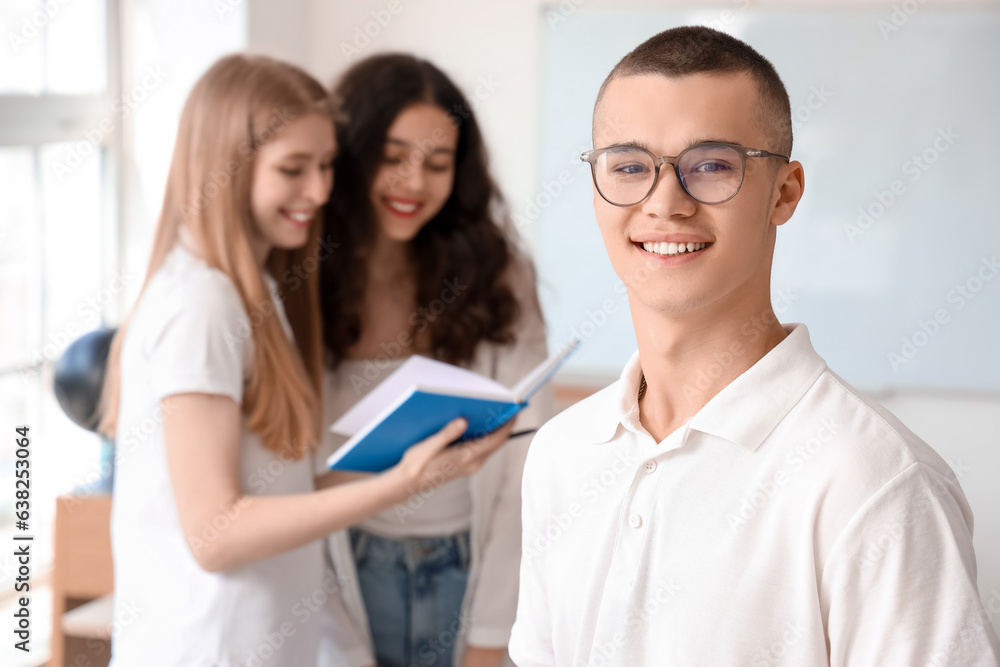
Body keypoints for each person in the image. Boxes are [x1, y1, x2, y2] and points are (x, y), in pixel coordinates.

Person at [508, 26, 1000, 666]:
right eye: (629, 166)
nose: (665, 203)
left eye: (711, 166)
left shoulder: (875, 481)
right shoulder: (561, 452)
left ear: (785, 192)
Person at [97, 53, 511, 667]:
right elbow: (215, 535)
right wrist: (402, 484)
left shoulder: (252, 289)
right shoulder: (202, 306)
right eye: (294, 169)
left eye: (325, 166)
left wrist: (421, 452)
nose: (319, 192)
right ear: (226, 168)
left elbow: (280, 490)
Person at [315, 54, 553, 667]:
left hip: (467, 566)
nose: (413, 183)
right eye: (392, 158)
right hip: (343, 570)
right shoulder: (307, 276)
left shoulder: (498, 274)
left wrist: (489, 636)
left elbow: (525, 468)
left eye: (437, 163)